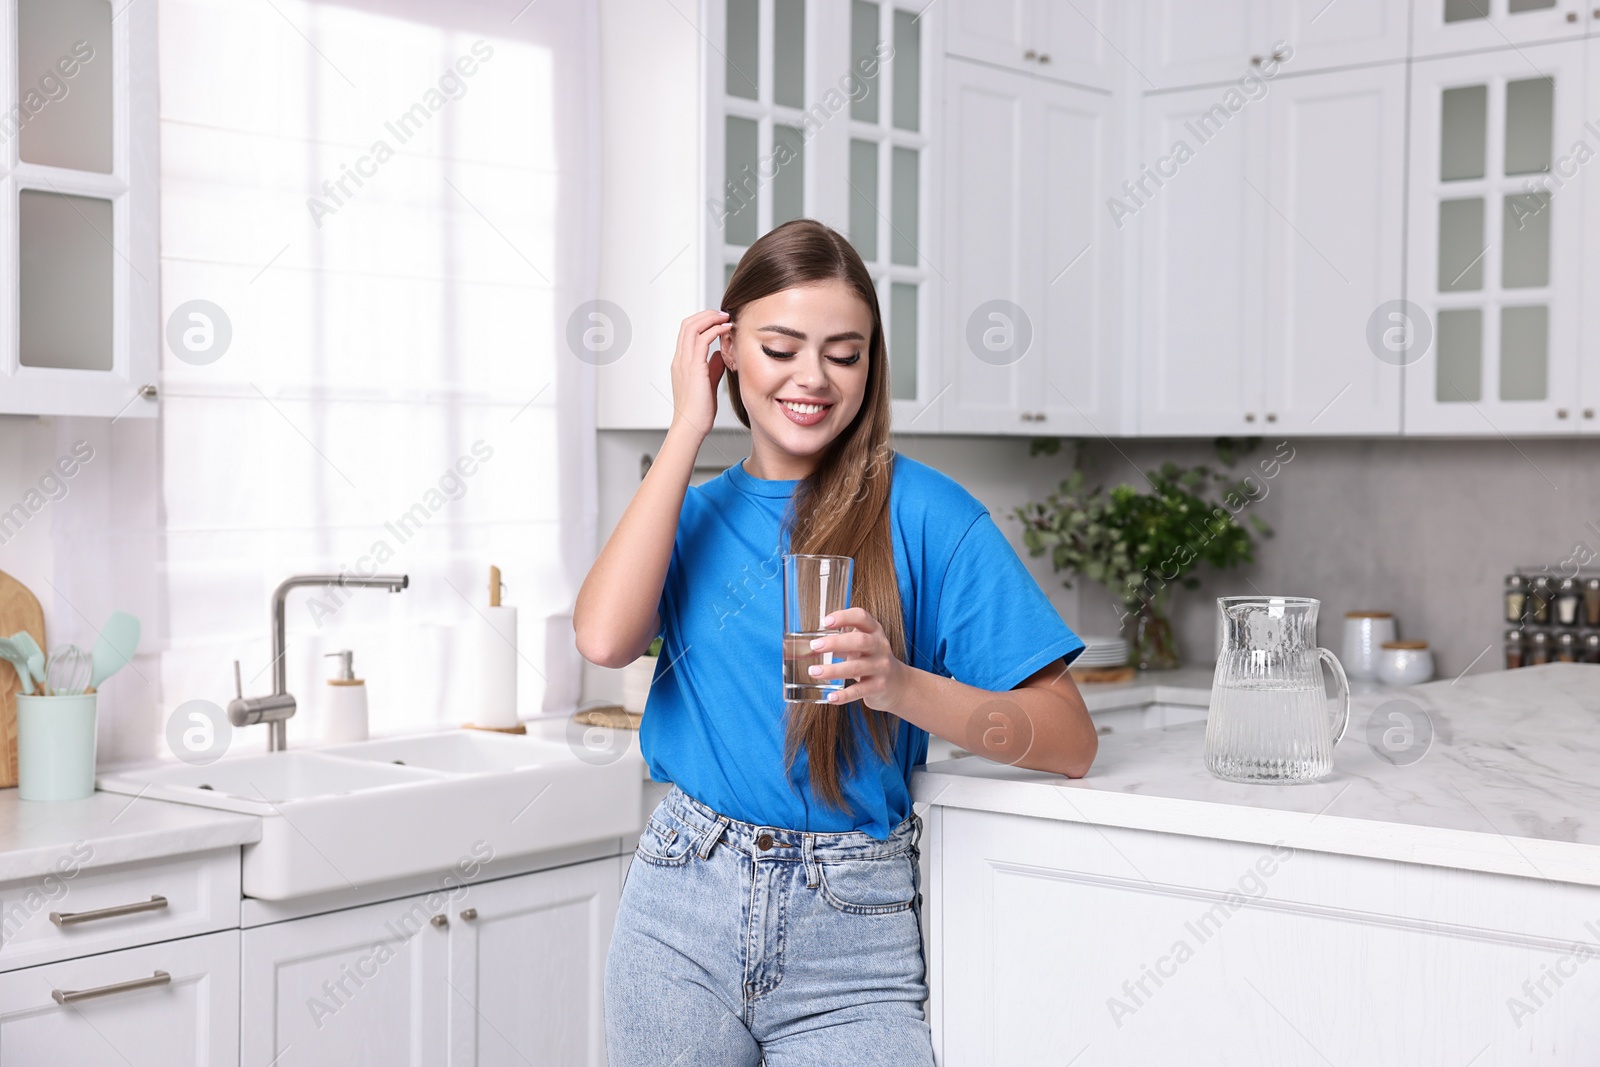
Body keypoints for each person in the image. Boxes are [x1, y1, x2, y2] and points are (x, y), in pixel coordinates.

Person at [575, 218, 1098, 1065]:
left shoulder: (930, 515)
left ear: (870, 365)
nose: (812, 378)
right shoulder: (688, 513)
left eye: (843, 354)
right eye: (780, 347)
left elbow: (1070, 740)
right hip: (678, 907)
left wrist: (900, 686)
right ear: (727, 350)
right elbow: (603, 637)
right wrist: (684, 426)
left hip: (853, 930)